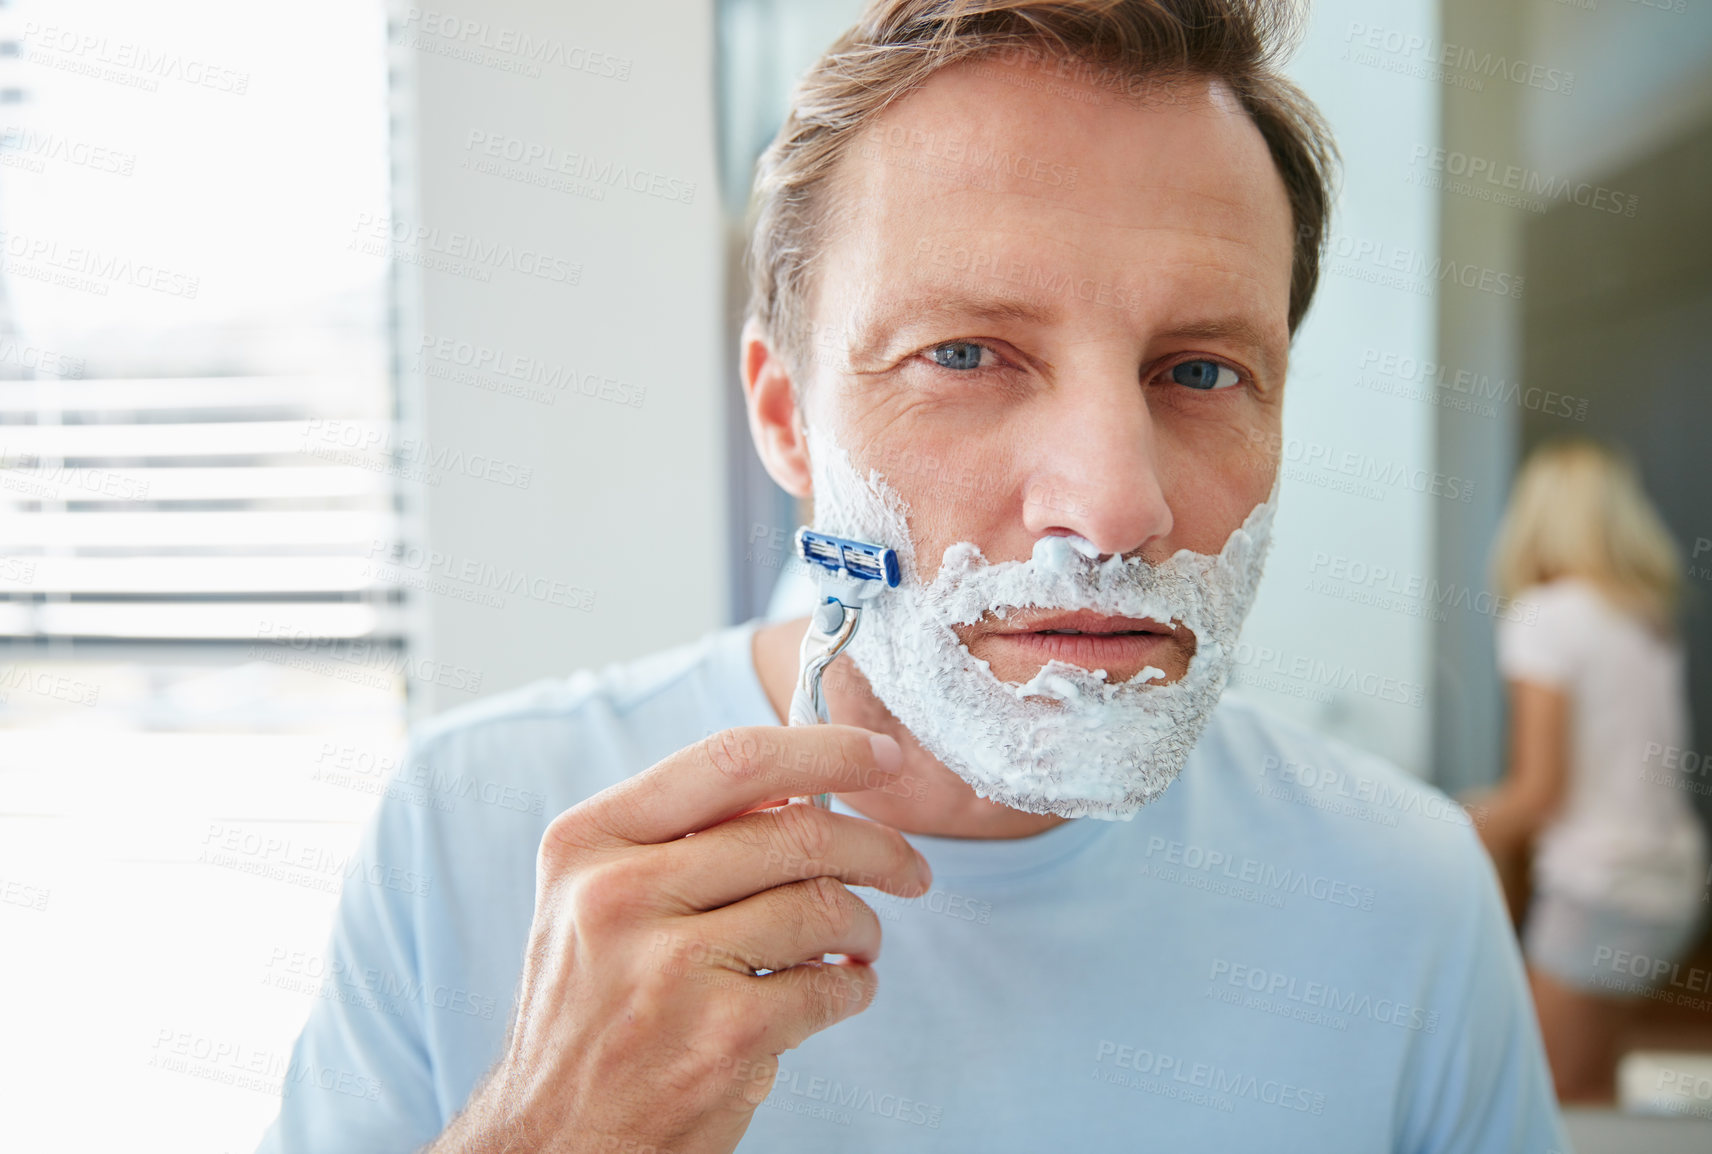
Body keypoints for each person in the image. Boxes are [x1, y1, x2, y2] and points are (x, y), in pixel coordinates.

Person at [258, 2, 1570, 1150]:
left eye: (1201, 370)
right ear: (784, 418)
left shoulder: (1409, 891)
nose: (1117, 504)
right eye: (966, 354)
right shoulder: (476, 823)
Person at [1473, 437, 1707, 1102]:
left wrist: (1450, 822)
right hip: (1667, 888)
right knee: (1596, 1081)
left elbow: (1539, 794)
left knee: (1543, 1098)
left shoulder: (1545, 616)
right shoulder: (1644, 620)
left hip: (1599, 892)